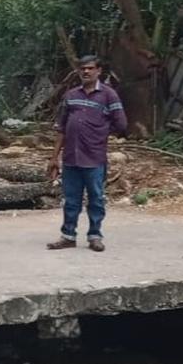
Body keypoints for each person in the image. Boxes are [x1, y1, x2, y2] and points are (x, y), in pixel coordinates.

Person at [46, 55, 127, 253]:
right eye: (83, 69)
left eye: (90, 68)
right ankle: (68, 236)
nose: (86, 72)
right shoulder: (71, 95)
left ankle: (95, 236)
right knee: (71, 199)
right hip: (71, 158)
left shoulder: (109, 96)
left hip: (94, 157)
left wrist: (100, 133)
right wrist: (54, 157)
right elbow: (62, 128)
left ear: (99, 71)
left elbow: (122, 124)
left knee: (96, 198)